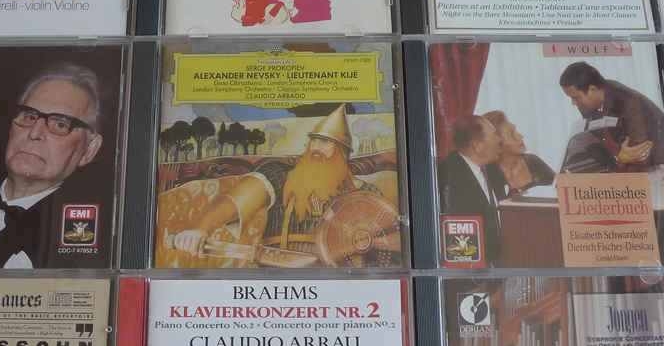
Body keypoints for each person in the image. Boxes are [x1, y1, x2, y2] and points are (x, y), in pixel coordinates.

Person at [165, 104, 397, 267]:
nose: (316, 149)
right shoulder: (280, 176)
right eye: (314, 141)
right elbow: (236, 201)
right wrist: (201, 229)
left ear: (343, 154)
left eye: (327, 143)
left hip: (337, 282)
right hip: (275, 275)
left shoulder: (366, 194)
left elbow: (389, 245)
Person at [0, 63, 103, 268]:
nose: (34, 133)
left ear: (89, 149)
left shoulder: (86, 243)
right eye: (29, 116)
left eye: (60, 124)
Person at [558, 61, 664, 171]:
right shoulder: (590, 104)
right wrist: (616, 158)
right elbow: (597, 138)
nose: (573, 103)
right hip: (625, 166)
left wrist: (618, 160)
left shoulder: (629, 103)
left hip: (659, 167)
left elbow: (639, 156)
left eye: (576, 97)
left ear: (592, 89)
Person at [437, 115, 503, 265]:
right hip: (469, 268)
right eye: (495, 135)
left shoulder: (493, 170)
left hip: (497, 265)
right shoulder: (447, 175)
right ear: (477, 146)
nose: (500, 140)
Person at [482, 110, 554, 197]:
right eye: (512, 134)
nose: (520, 136)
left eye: (515, 131)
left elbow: (560, 187)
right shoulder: (487, 172)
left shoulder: (533, 161)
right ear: (497, 143)